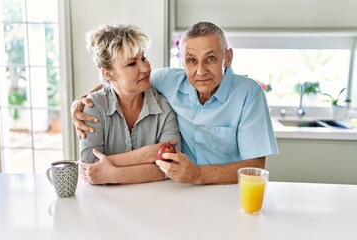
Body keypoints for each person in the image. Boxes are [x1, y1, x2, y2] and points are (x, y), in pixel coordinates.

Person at [72, 21, 278, 185]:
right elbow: (121, 83)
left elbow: (255, 167)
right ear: (182, 61)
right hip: (177, 191)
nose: (200, 71)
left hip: (227, 192)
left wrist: (197, 175)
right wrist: (81, 102)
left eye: (211, 58)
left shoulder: (249, 94)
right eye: (191, 60)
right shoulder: (168, 80)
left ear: (228, 58)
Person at [78, 23, 180, 184]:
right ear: (107, 73)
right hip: (104, 203)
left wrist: (112, 174)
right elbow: (90, 166)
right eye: (132, 64)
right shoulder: (93, 107)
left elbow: (171, 166)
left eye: (143, 58)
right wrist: (148, 154)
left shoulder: (163, 107)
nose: (146, 67)